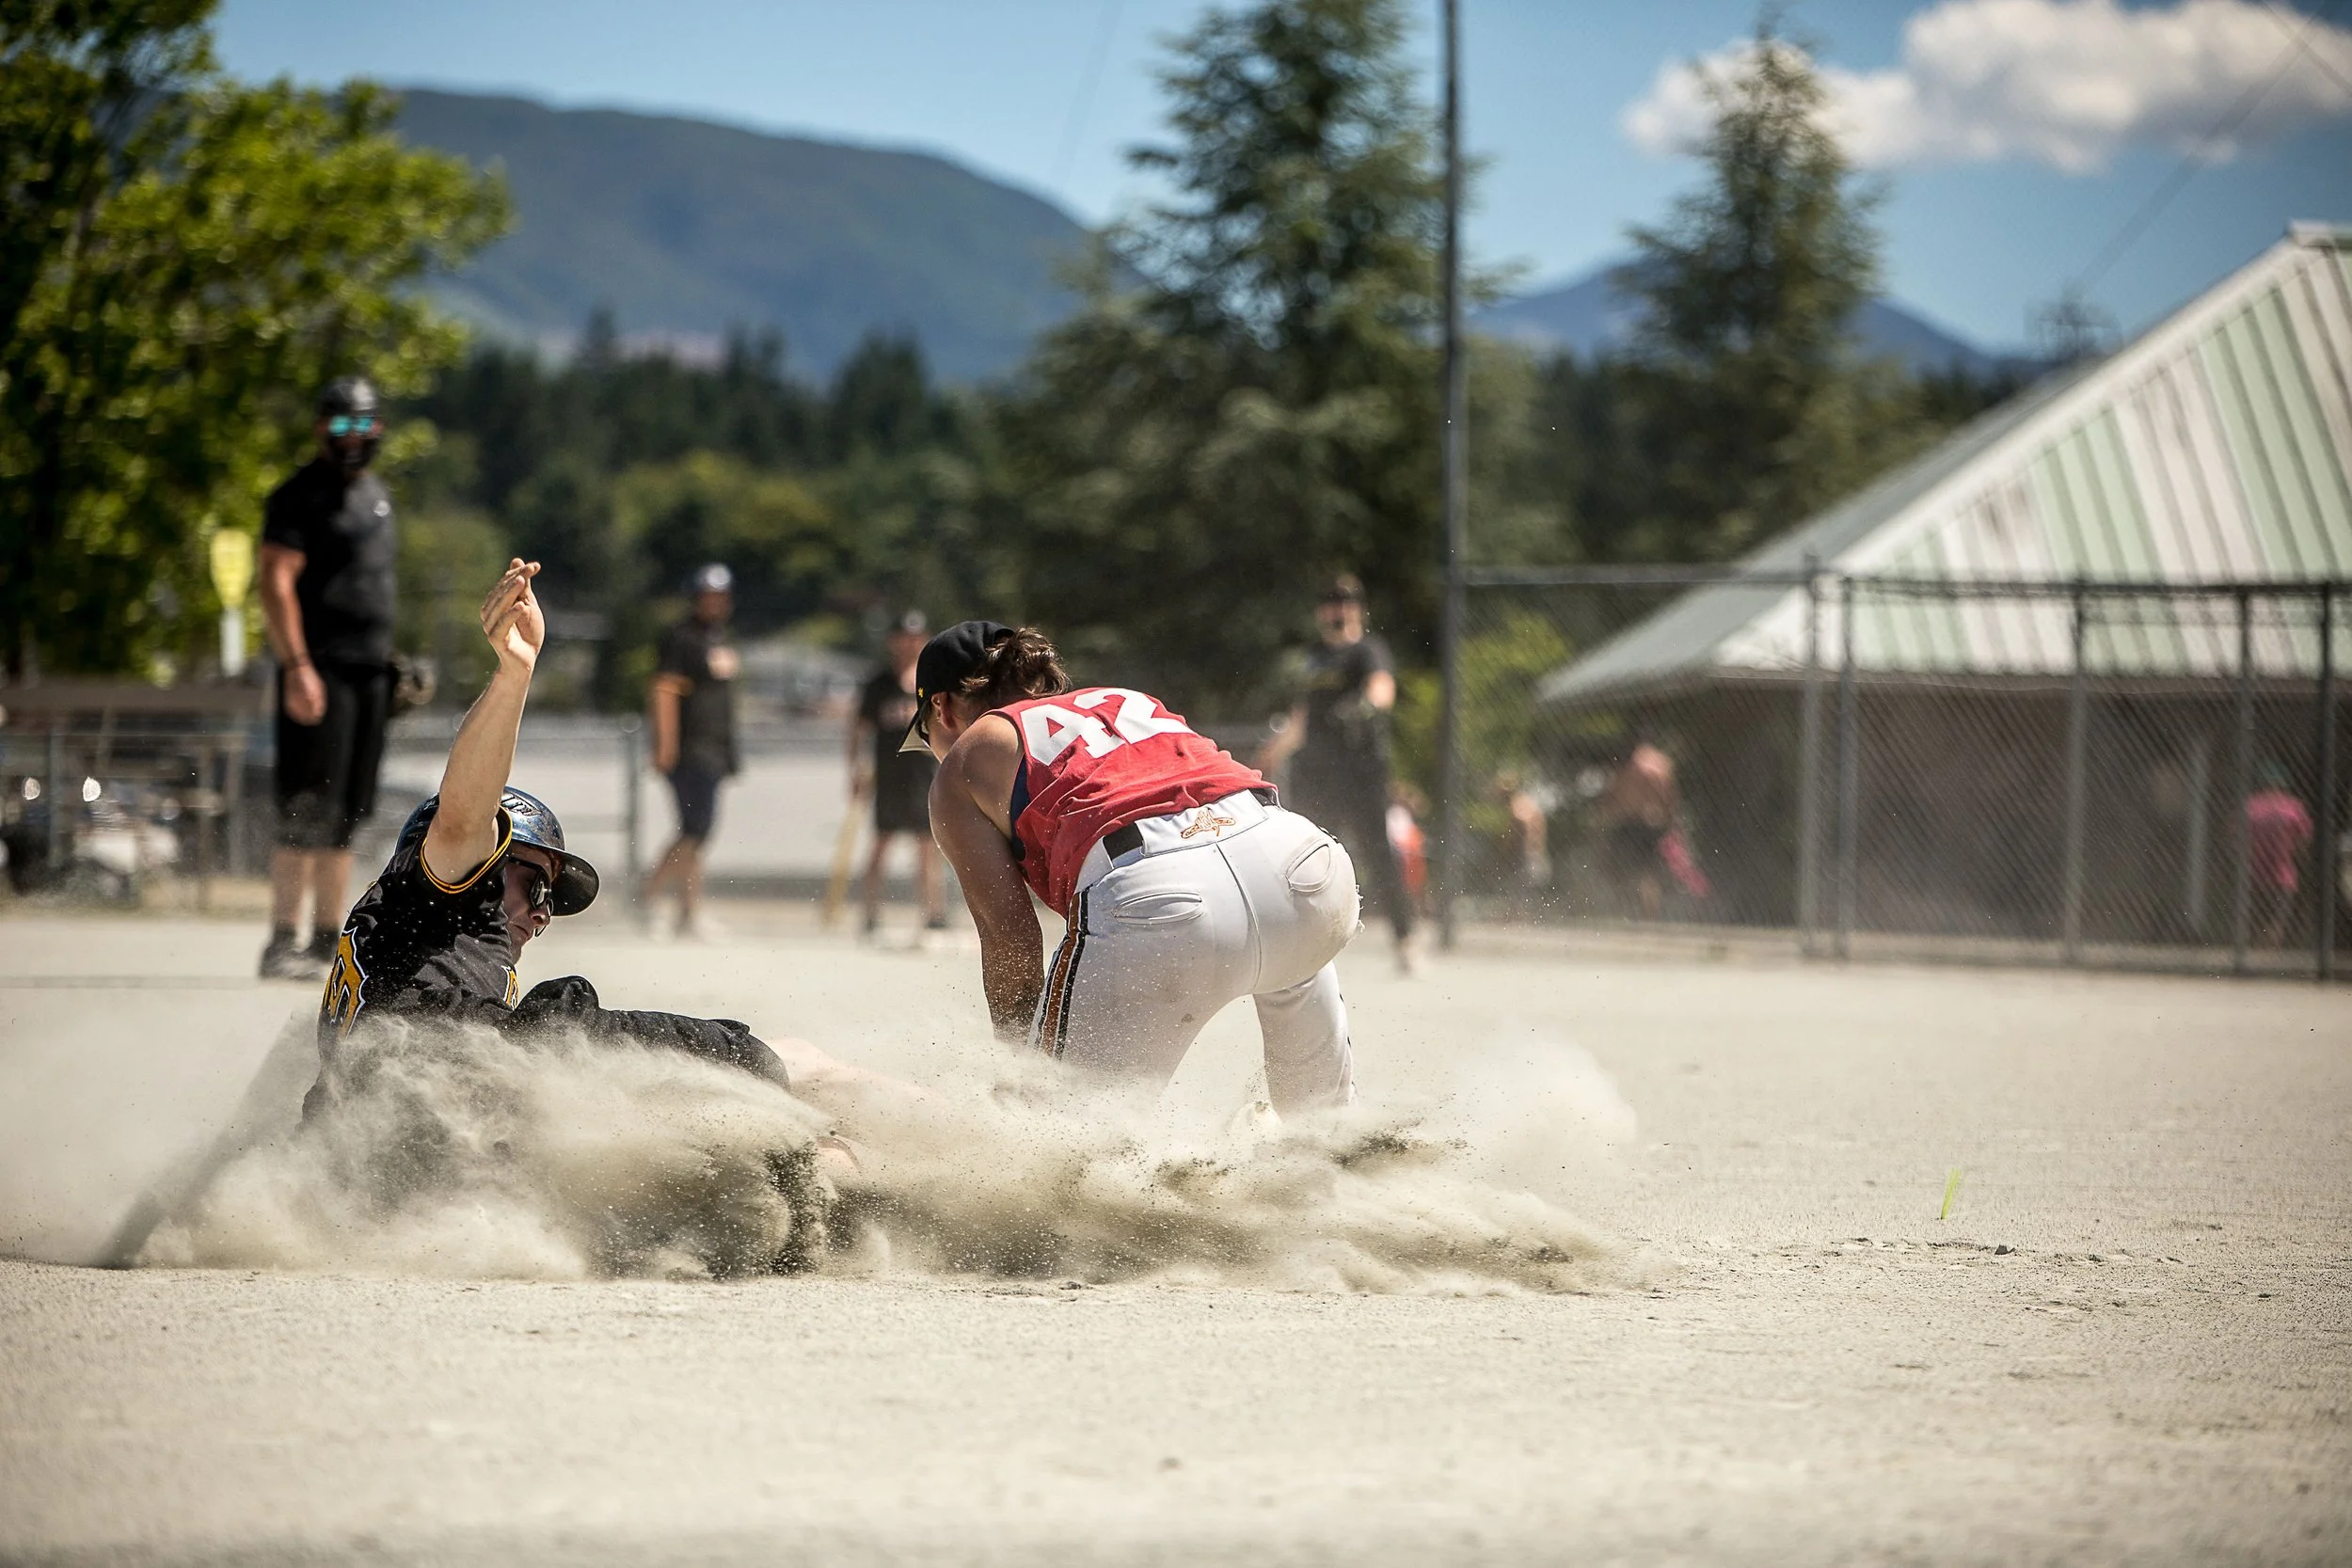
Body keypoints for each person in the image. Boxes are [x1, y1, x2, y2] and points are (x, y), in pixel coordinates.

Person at [310, 559, 882, 1121]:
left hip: (432, 1133)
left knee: (763, 1110)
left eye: (549, 901)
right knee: (781, 1061)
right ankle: (942, 1141)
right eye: (533, 884)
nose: (541, 916)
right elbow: (462, 821)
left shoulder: (398, 955)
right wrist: (514, 676)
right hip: (443, 1109)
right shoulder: (426, 904)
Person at [912, 620, 1359, 1115]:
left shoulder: (969, 754)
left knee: (1050, 1145)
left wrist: (1023, 1072)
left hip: (1160, 892)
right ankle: (1340, 1147)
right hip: (1297, 860)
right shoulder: (1122, 698)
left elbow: (1011, 941)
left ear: (942, 708)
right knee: (1325, 1129)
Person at [256, 376, 400, 981]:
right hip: (319, 671)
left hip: (369, 674)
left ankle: (324, 942)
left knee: (347, 813)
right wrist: (297, 667)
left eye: (363, 425)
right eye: (341, 426)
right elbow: (275, 582)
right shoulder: (297, 497)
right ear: (321, 429)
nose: (353, 437)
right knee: (304, 806)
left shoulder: (376, 495)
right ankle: (282, 938)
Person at [1257, 576, 1419, 973]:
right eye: (1330, 600)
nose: (1338, 607)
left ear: (1358, 607)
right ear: (1320, 610)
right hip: (1318, 773)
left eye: (1346, 600)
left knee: (1378, 853)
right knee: (1311, 857)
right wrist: (1268, 757)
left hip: (1362, 772)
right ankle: (1305, 945)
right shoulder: (1313, 658)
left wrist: (1368, 706)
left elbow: (1383, 688)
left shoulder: (1367, 650)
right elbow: (1301, 716)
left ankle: (1406, 940)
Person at [644, 563, 741, 938]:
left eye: (721, 596)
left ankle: (688, 912)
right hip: (690, 748)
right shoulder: (681, 637)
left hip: (716, 748)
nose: (714, 603)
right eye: (708, 596)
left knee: (697, 832)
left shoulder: (720, 637)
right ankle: (648, 896)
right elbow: (664, 691)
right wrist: (665, 746)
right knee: (694, 829)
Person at [850, 610, 948, 939]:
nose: (908, 644)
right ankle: (870, 913)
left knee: (927, 845)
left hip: (925, 775)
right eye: (903, 638)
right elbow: (858, 728)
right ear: (893, 642)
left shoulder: (932, 682)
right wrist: (855, 769)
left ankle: (933, 913)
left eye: (915, 638)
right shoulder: (879, 683)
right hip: (888, 773)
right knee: (881, 841)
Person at [1598, 739, 1680, 920]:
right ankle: (1650, 916)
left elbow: (1613, 794)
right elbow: (1670, 797)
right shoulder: (1662, 764)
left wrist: (1607, 815)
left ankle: (1626, 911)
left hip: (1628, 821)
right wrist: (1669, 820)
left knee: (1621, 869)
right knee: (1649, 873)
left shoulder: (1630, 765)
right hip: (1653, 822)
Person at [2246, 761, 2313, 948]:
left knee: (2257, 919)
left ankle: (2257, 953)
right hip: (2283, 873)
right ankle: (2270, 952)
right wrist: (2296, 852)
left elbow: (2234, 833)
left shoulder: (2252, 806)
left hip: (2255, 872)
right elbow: (2304, 838)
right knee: (2277, 920)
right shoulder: (2293, 807)